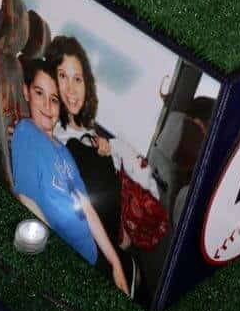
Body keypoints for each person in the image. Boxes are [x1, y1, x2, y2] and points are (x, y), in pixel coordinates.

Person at [10, 57, 130, 295]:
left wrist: (115, 263)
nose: (47, 105)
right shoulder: (26, 132)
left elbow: (86, 207)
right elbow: (27, 202)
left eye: (54, 100)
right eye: (38, 93)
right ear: (25, 92)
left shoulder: (64, 151)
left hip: (94, 252)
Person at [45, 35, 167, 258]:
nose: (71, 89)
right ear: (51, 79)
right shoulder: (58, 137)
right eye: (62, 76)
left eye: (78, 79)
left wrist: (114, 152)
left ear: (87, 84)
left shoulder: (90, 135)